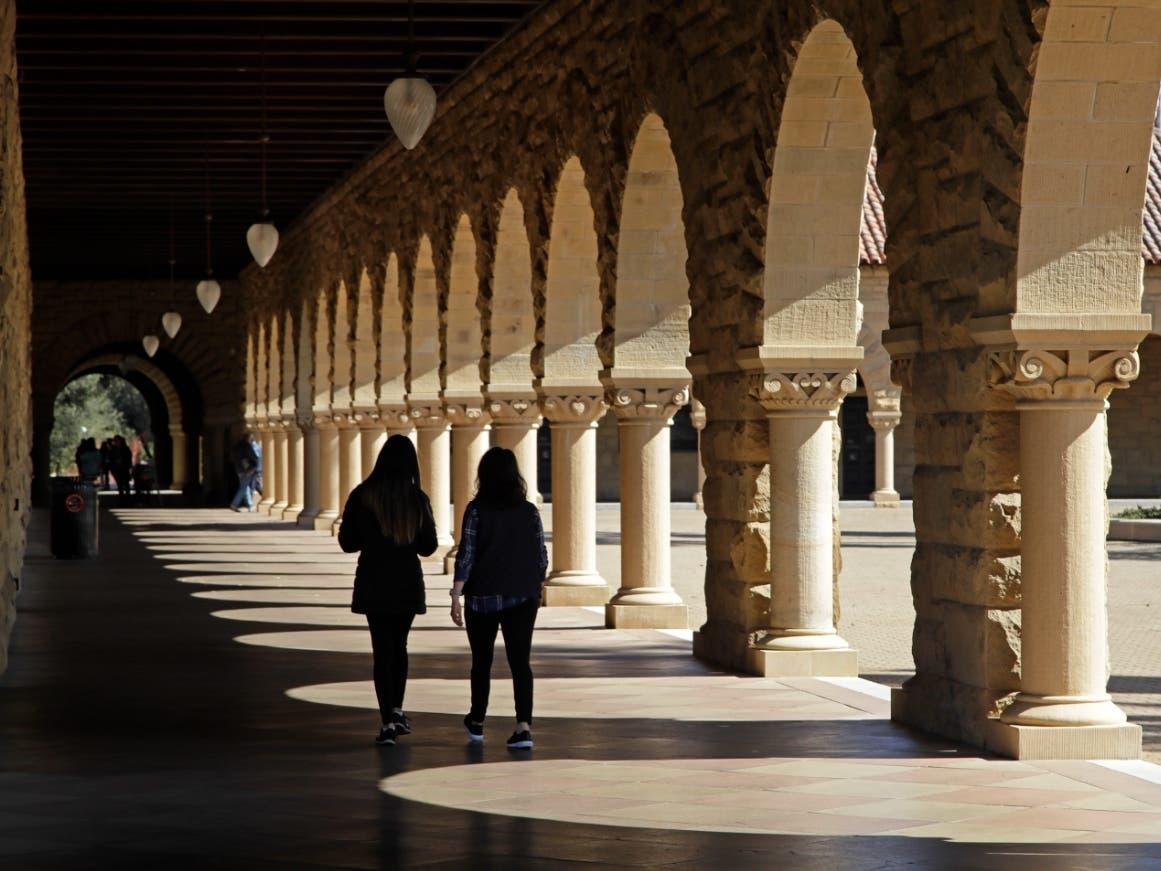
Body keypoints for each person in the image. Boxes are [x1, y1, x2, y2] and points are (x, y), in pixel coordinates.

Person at [338, 434, 438, 746]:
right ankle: (397, 709)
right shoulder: (416, 499)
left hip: (374, 580)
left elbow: (347, 542)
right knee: (400, 646)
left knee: (382, 651)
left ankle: (386, 723)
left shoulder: (363, 495)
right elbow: (429, 547)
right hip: (406, 581)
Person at [450, 447, 548, 750]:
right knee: (521, 663)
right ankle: (523, 727)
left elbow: (466, 553)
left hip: (482, 597)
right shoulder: (529, 511)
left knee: (482, 662)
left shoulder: (476, 510)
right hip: (521, 596)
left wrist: (456, 594)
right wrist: (534, 587)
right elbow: (541, 556)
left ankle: (477, 720)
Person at [229, 433, 259, 511]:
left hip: (239, 470)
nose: (252, 441)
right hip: (247, 470)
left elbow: (233, 458)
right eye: (251, 439)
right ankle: (234, 504)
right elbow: (253, 457)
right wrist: (253, 468)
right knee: (243, 487)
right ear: (248, 439)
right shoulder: (247, 446)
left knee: (245, 487)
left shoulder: (237, 446)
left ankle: (250, 505)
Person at [107, 434, 133, 506]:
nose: (116, 442)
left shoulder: (125, 449)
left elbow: (129, 458)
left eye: (117, 440)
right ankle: (122, 500)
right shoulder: (113, 450)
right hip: (116, 469)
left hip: (124, 468)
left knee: (126, 484)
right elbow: (110, 459)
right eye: (115, 441)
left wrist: (128, 465)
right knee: (120, 485)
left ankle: (128, 500)